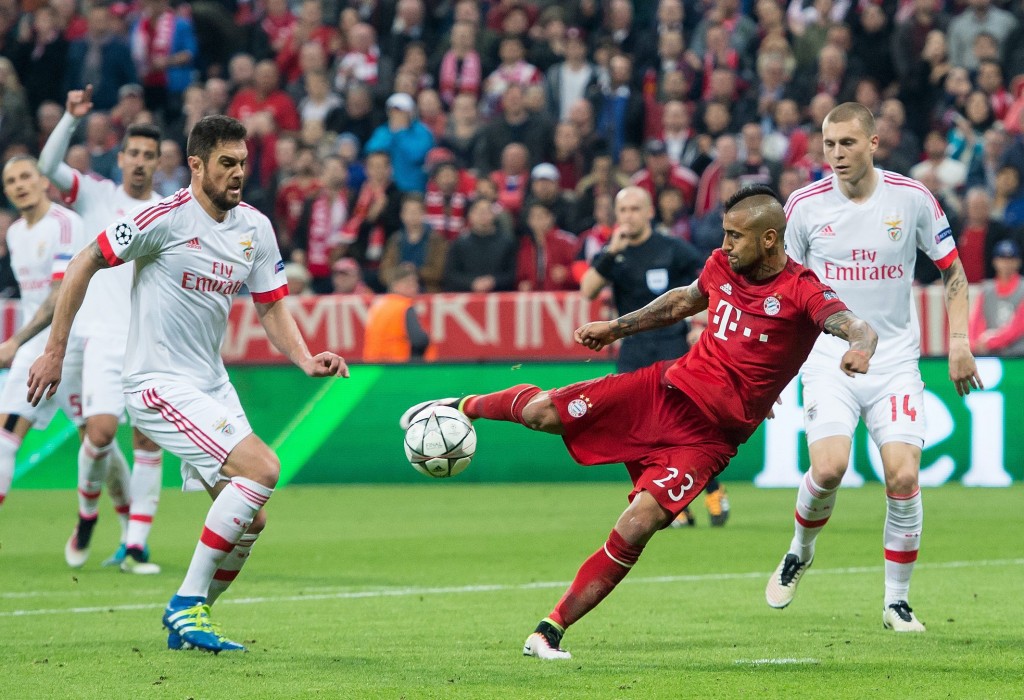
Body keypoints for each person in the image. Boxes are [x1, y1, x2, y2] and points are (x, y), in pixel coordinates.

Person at [400, 185, 877, 659]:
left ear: (769, 238)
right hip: (661, 391)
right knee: (542, 413)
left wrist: (859, 348)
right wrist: (615, 328)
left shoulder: (801, 289)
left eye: (735, 236)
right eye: (725, 233)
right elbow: (681, 302)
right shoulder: (720, 265)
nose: (725, 244)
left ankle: (549, 631)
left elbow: (857, 325)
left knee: (639, 522)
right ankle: (460, 406)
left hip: (707, 440)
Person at [28, 114, 349, 653]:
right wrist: (55, 351)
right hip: (156, 384)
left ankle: (193, 618)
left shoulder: (255, 229)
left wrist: (303, 358)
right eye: (226, 163)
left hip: (210, 385)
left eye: (243, 162)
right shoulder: (164, 218)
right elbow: (85, 262)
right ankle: (185, 603)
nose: (238, 172)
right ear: (196, 165)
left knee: (252, 518)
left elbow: (272, 307)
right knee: (263, 468)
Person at [765, 102, 983, 632]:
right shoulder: (804, 207)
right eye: (829, 144)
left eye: (847, 143)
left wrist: (959, 341)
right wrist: (769, 373)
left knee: (903, 476)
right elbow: (782, 295)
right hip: (828, 359)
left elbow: (954, 274)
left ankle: (896, 602)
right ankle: (799, 550)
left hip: (895, 362)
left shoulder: (912, 199)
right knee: (829, 469)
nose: (837, 154)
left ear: (872, 143)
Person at [38, 85, 167, 573]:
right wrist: (70, 118)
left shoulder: (170, 209)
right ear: (121, 157)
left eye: (149, 155)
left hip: (151, 342)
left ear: (158, 162)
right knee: (100, 434)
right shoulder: (98, 195)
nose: (140, 162)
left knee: (149, 441)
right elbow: (48, 166)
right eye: (134, 153)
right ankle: (88, 513)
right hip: (102, 339)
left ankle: (136, 546)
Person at [580, 187, 725, 525]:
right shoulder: (613, 254)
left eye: (634, 209)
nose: (628, 216)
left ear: (648, 212)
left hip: (671, 345)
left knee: (685, 426)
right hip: (632, 348)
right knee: (638, 430)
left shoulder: (672, 248)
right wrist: (610, 252)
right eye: (622, 210)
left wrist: (700, 323)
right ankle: (675, 503)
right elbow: (587, 289)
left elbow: (711, 284)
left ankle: (713, 487)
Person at [0, 156, 86, 508]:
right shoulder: (15, 233)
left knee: (97, 445)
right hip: (34, 349)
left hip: (75, 346)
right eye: (11, 181)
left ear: (42, 180)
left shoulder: (65, 224)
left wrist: (15, 340)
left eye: (25, 176)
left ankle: (114, 523)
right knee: (4, 440)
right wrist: (23, 344)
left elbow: (60, 294)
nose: (19, 185)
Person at [363, 262, 434, 362]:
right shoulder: (404, 306)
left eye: (415, 283)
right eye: (409, 283)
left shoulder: (378, 305)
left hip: (373, 364)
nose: (415, 287)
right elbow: (419, 340)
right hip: (397, 364)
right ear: (396, 285)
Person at [969, 239, 1024, 356]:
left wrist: (990, 342)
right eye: (1002, 259)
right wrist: (975, 343)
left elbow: (1018, 327)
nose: (1006, 264)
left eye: (1011, 259)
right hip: (991, 354)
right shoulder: (986, 290)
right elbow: (976, 321)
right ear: (994, 261)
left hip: (1018, 354)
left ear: (1018, 262)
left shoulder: (1022, 288)